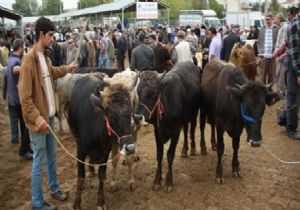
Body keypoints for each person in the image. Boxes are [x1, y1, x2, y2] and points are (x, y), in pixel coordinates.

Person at [18, 17, 77, 210]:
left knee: (51, 157)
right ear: (41, 34)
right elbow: (25, 98)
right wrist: (37, 118)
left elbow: (52, 72)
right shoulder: (28, 61)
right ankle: (37, 202)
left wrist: (67, 69)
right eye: (51, 35)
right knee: (39, 161)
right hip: (39, 122)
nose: (53, 38)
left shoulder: (46, 56)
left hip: (49, 118)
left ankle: (54, 189)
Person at [6, 38, 33, 159]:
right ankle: (24, 149)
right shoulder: (16, 62)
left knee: (20, 124)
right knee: (26, 125)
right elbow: (15, 70)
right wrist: (26, 70)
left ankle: (25, 146)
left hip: (11, 97)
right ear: (21, 47)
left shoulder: (10, 59)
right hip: (18, 99)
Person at [284, 6, 300, 140]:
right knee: (293, 98)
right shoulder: (295, 26)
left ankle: (283, 118)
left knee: (292, 96)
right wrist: (299, 72)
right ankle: (291, 128)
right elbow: (295, 53)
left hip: (294, 65)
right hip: (295, 66)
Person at [257, 13, 278, 84]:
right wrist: (260, 53)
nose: (267, 21)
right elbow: (259, 42)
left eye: (268, 19)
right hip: (263, 56)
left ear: (272, 20)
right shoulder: (262, 29)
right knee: (262, 75)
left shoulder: (276, 29)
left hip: (272, 56)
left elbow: (277, 42)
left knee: (271, 75)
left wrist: (275, 52)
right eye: (266, 20)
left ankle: (270, 91)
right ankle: (262, 90)